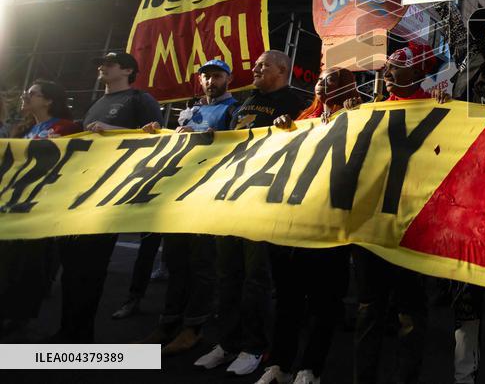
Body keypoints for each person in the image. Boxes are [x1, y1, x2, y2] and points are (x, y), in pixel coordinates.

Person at [195, 50, 308, 377]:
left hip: (263, 201)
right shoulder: (244, 102)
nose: (256, 70)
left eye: (264, 66)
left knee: (256, 278)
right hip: (230, 198)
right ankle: (227, 342)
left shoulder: (294, 103)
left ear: (282, 70)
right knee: (227, 274)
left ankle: (254, 346)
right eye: (256, 65)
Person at [257, 67, 363, 384]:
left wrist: (354, 117)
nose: (321, 83)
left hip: (329, 225)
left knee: (324, 301)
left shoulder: (359, 115)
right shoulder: (302, 118)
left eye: (331, 79)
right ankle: (279, 364)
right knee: (288, 298)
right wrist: (282, 130)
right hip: (293, 223)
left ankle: (311, 368)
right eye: (319, 79)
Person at [56, 52, 163, 343]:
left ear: (127, 70)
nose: (102, 66)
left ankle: (80, 338)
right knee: (71, 268)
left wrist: (113, 131)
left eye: (110, 63)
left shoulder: (141, 100)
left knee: (90, 270)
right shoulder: (96, 103)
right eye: (100, 62)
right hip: (81, 193)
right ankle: (67, 331)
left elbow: (157, 140)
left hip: (110, 196)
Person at [352, 44, 440, 384]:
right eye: (387, 68)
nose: (387, 75)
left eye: (397, 68)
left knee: (409, 314)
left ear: (418, 72)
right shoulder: (368, 111)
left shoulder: (437, 109)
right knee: (369, 311)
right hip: (371, 227)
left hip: (409, 227)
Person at [140, 59, 240, 355]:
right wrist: (159, 133)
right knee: (176, 262)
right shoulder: (192, 110)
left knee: (202, 265)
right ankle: (169, 322)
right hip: (179, 194)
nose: (211, 81)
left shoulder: (233, 109)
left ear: (228, 79)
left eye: (217, 76)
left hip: (208, 196)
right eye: (206, 76)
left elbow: (239, 146)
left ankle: (193, 328)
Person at [0, 80, 81, 336]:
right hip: (12, 204)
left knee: (27, 263)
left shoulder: (67, 128)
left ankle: (19, 314)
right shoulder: (22, 129)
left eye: (33, 93)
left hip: (41, 207)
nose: (26, 96)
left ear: (49, 100)